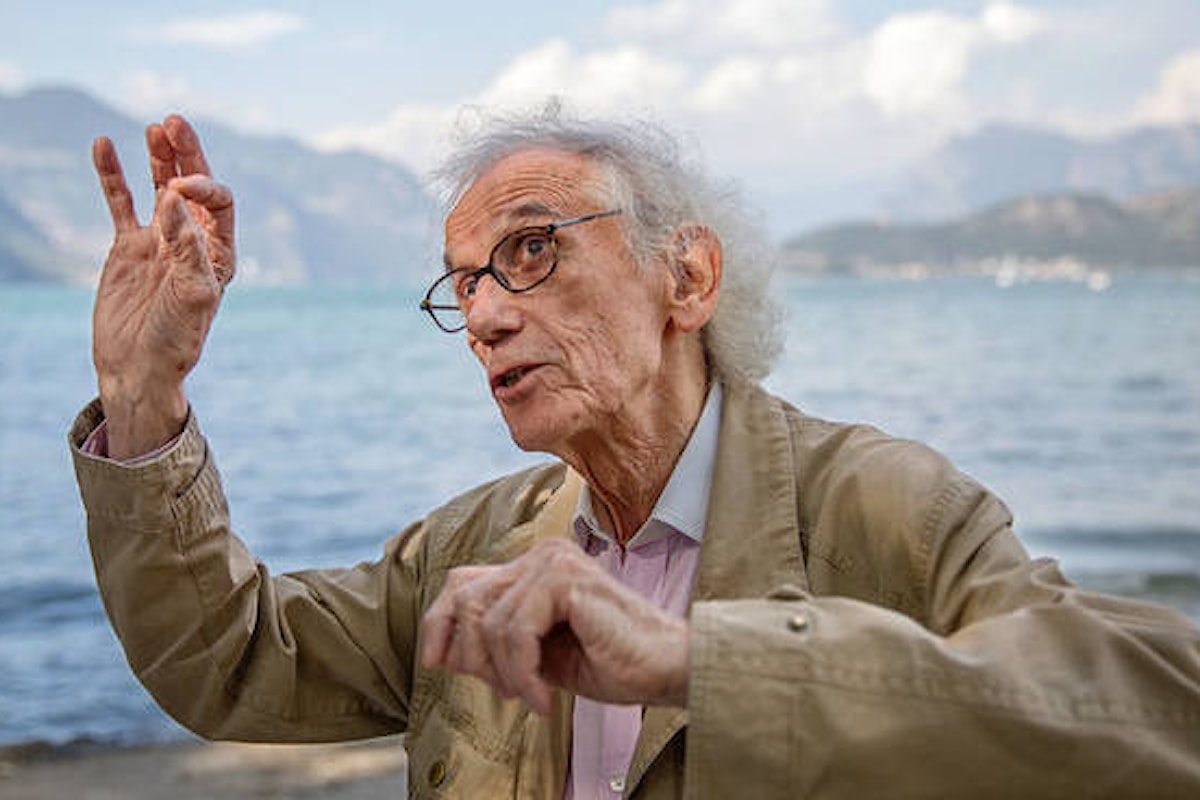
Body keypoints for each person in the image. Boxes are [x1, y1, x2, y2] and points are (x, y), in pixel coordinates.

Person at [71, 110, 1200, 800]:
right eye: (464, 281)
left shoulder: (888, 508)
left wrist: (694, 657)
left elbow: (1157, 715)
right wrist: (144, 393)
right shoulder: (471, 548)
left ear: (687, 276)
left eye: (529, 249)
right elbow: (228, 658)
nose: (485, 314)